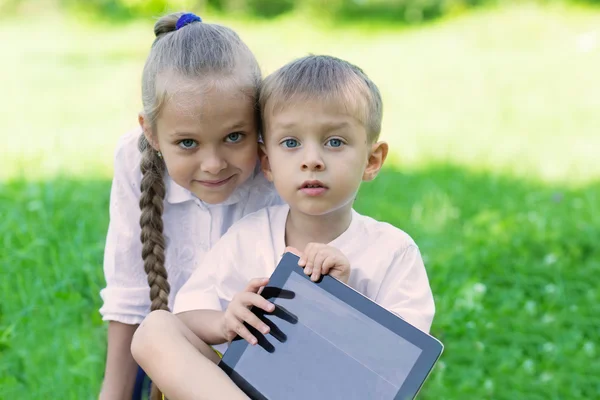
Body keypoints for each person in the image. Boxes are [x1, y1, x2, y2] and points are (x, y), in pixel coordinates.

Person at [130, 55, 435, 400]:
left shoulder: (392, 251)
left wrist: (338, 305)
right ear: (267, 162)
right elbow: (185, 318)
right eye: (291, 143)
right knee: (154, 329)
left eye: (335, 142)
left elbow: (402, 368)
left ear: (372, 159)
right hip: (243, 391)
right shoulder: (250, 236)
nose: (312, 160)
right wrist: (225, 322)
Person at [98, 12, 282, 400]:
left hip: (270, 372)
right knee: (156, 331)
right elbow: (129, 295)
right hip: (182, 367)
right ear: (151, 132)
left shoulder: (279, 169)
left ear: (261, 123)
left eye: (235, 136)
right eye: (187, 143)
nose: (214, 164)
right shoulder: (135, 158)